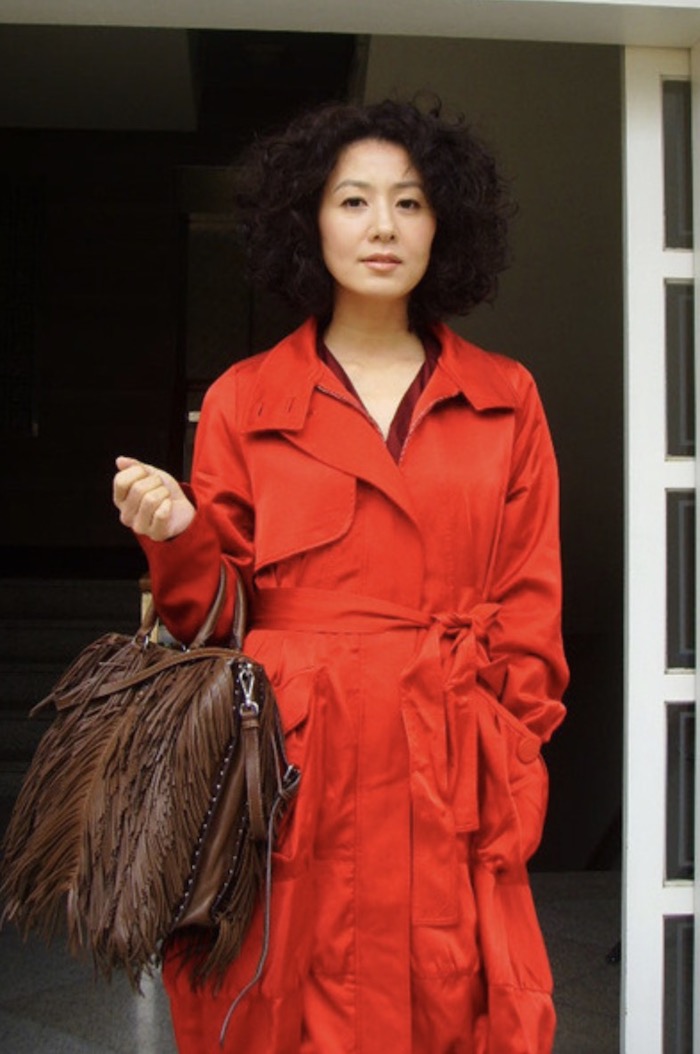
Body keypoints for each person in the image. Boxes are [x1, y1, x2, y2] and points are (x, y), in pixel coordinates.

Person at [113, 98, 568, 1054]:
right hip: (291, 771)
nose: (382, 227)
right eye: (353, 200)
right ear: (308, 222)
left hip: (449, 761)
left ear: (444, 224)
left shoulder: (505, 397)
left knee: (455, 1002)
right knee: (281, 1003)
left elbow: (531, 608)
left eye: (410, 202)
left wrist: (510, 758)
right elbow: (215, 625)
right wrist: (180, 537)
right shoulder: (244, 398)